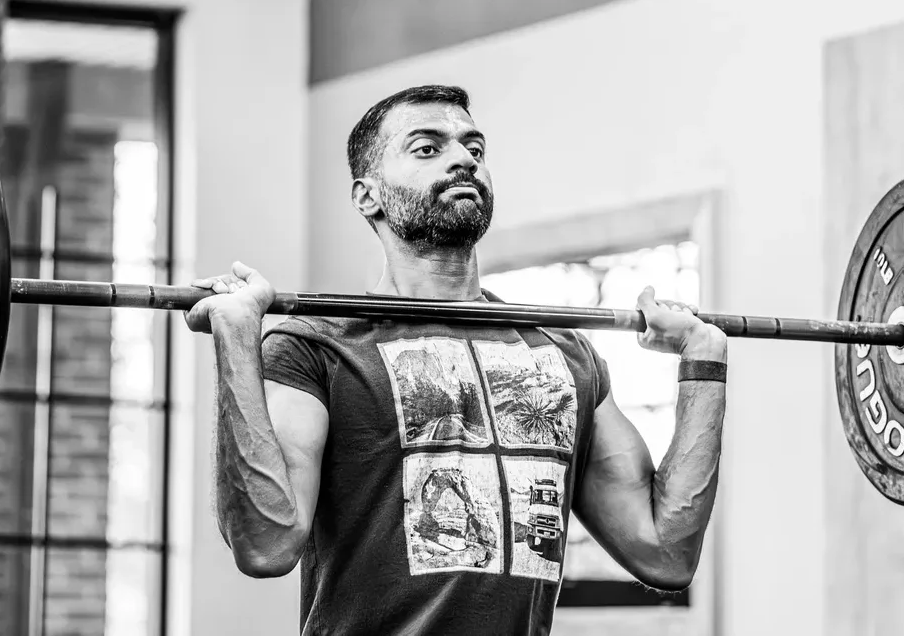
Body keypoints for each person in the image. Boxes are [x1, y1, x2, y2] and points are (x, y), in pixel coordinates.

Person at [185, 84, 727, 635]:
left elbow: (665, 553)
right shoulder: (318, 348)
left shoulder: (563, 355)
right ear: (367, 196)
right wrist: (235, 336)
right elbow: (266, 544)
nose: (463, 159)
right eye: (427, 148)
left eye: (474, 148)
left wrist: (704, 360)